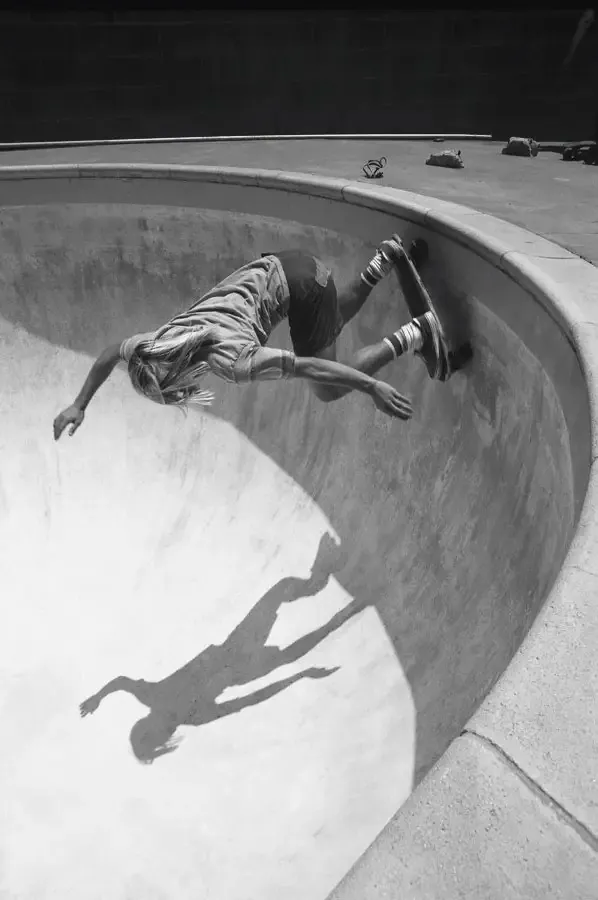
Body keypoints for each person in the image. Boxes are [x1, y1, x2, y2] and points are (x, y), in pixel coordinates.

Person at [53, 234, 444, 440]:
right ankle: (384, 260)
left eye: (176, 391)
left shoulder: (234, 363)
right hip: (285, 264)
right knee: (329, 322)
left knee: (326, 388)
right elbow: (110, 354)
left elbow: (309, 367)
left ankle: (415, 333)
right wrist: (79, 404)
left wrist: (372, 385)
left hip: (304, 288)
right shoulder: (155, 341)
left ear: (177, 375)